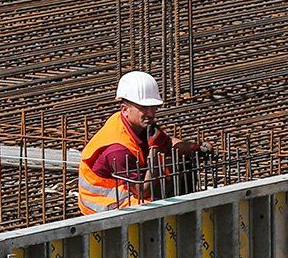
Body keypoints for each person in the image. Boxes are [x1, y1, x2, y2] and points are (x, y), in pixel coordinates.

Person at [77, 71, 201, 214]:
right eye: (143, 108)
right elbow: (143, 191)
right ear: (125, 110)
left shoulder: (139, 124)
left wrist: (194, 148)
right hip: (103, 203)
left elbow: (168, 144)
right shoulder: (117, 150)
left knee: (179, 167)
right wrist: (154, 152)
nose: (150, 113)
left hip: (128, 186)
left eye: (153, 107)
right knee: (153, 207)